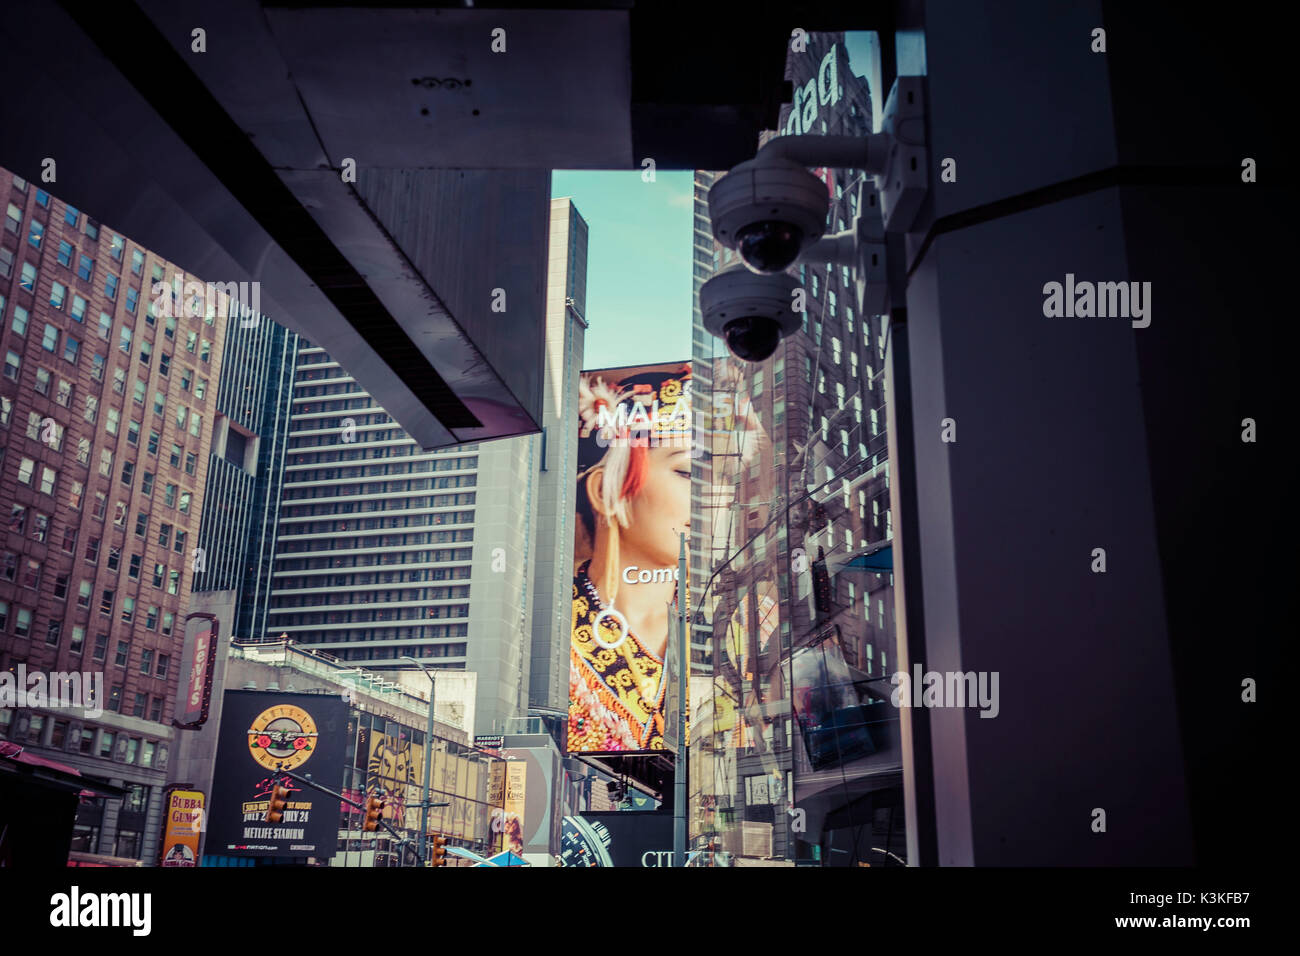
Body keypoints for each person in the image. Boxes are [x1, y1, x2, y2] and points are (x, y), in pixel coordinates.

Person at [569, 365, 691, 752]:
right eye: (688, 471)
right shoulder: (551, 631)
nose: (715, 498)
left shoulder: (736, 633)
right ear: (606, 490)